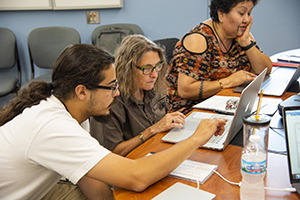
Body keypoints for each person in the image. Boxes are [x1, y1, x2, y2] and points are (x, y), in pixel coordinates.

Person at [0, 43, 227, 200]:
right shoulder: (53, 127)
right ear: (81, 92)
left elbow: (89, 176)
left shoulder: (72, 112)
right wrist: (197, 138)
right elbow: (137, 177)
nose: (117, 94)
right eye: (111, 87)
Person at [166, 0, 272, 114]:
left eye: (249, 13)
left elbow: (265, 70)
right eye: (241, 13)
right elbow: (185, 90)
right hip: (191, 113)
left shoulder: (240, 35)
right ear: (221, 14)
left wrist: (246, 43)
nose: (246, 20)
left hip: (225, 104)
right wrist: (228, 82)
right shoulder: (198, 39)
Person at [90, 35, 186, 156]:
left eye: (157, 66)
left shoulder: (152, 87)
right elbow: (110, 154)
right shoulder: (109, 101)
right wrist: (152, 130)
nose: (155, 75)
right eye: (147, 68)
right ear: (127, 69)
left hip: (158, 152)